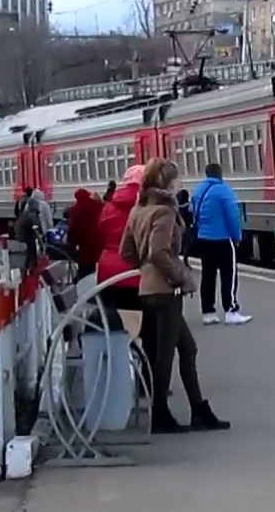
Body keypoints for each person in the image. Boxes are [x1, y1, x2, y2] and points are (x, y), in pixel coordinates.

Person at [101, 161, 230, 434]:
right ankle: (161, 413)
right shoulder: (165, 211)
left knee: (186, 348)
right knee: (166, 355)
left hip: (149, 288)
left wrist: (145, 267)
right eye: (177, 179)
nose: (180, 183)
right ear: (168, 183)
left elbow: (127, 252)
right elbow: (160, 252)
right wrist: (180, 276)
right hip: (165, 290)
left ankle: (199, 410)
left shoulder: (139, 209)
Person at [190, 163, 251, 326]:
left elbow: (194, 213)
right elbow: (233, 216)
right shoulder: (224, 191)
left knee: (208, 275)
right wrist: (237, 236)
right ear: (220, 174)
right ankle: (231, 310)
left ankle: (208, 312)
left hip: (203, 238)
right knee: (228, 275)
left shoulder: (198, 191)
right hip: (222, 239)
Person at [67, 188, 106, 277]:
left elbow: (73, 228)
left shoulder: (75, 209)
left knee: (86, 267)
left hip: (85, 244)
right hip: (100, 241)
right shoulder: (99, 205)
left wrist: (71, 243)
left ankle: (86, 284)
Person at [175, 188, 194, 267]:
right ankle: (185, 261)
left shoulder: (176, 208)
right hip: (187, 228)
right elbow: (191, 218)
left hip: (177, 228)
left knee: (177, 245)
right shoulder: (189, 207)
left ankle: (176, 260)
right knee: (186, 245)